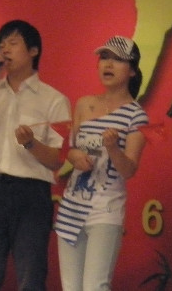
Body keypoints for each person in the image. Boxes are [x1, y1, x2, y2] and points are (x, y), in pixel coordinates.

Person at [0, 19, 71, 291]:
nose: (5, 49)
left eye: (13, 43)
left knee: (30, 277)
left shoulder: (53, 99)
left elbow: (57, 159)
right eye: (1, 44)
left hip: (33, 194)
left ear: (33, 51)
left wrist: (31, 144)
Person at [55, 36, 148, 291]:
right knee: (70, 287)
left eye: (117, 59)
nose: (108, 64)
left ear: (132, 70)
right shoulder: (84, 104)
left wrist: (113, 148)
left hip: (105, 209)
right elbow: (69, 149)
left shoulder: (136, 115)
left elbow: (129, 170)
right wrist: (74, 156)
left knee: (95, 286)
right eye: (104, 57)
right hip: (72, 205)